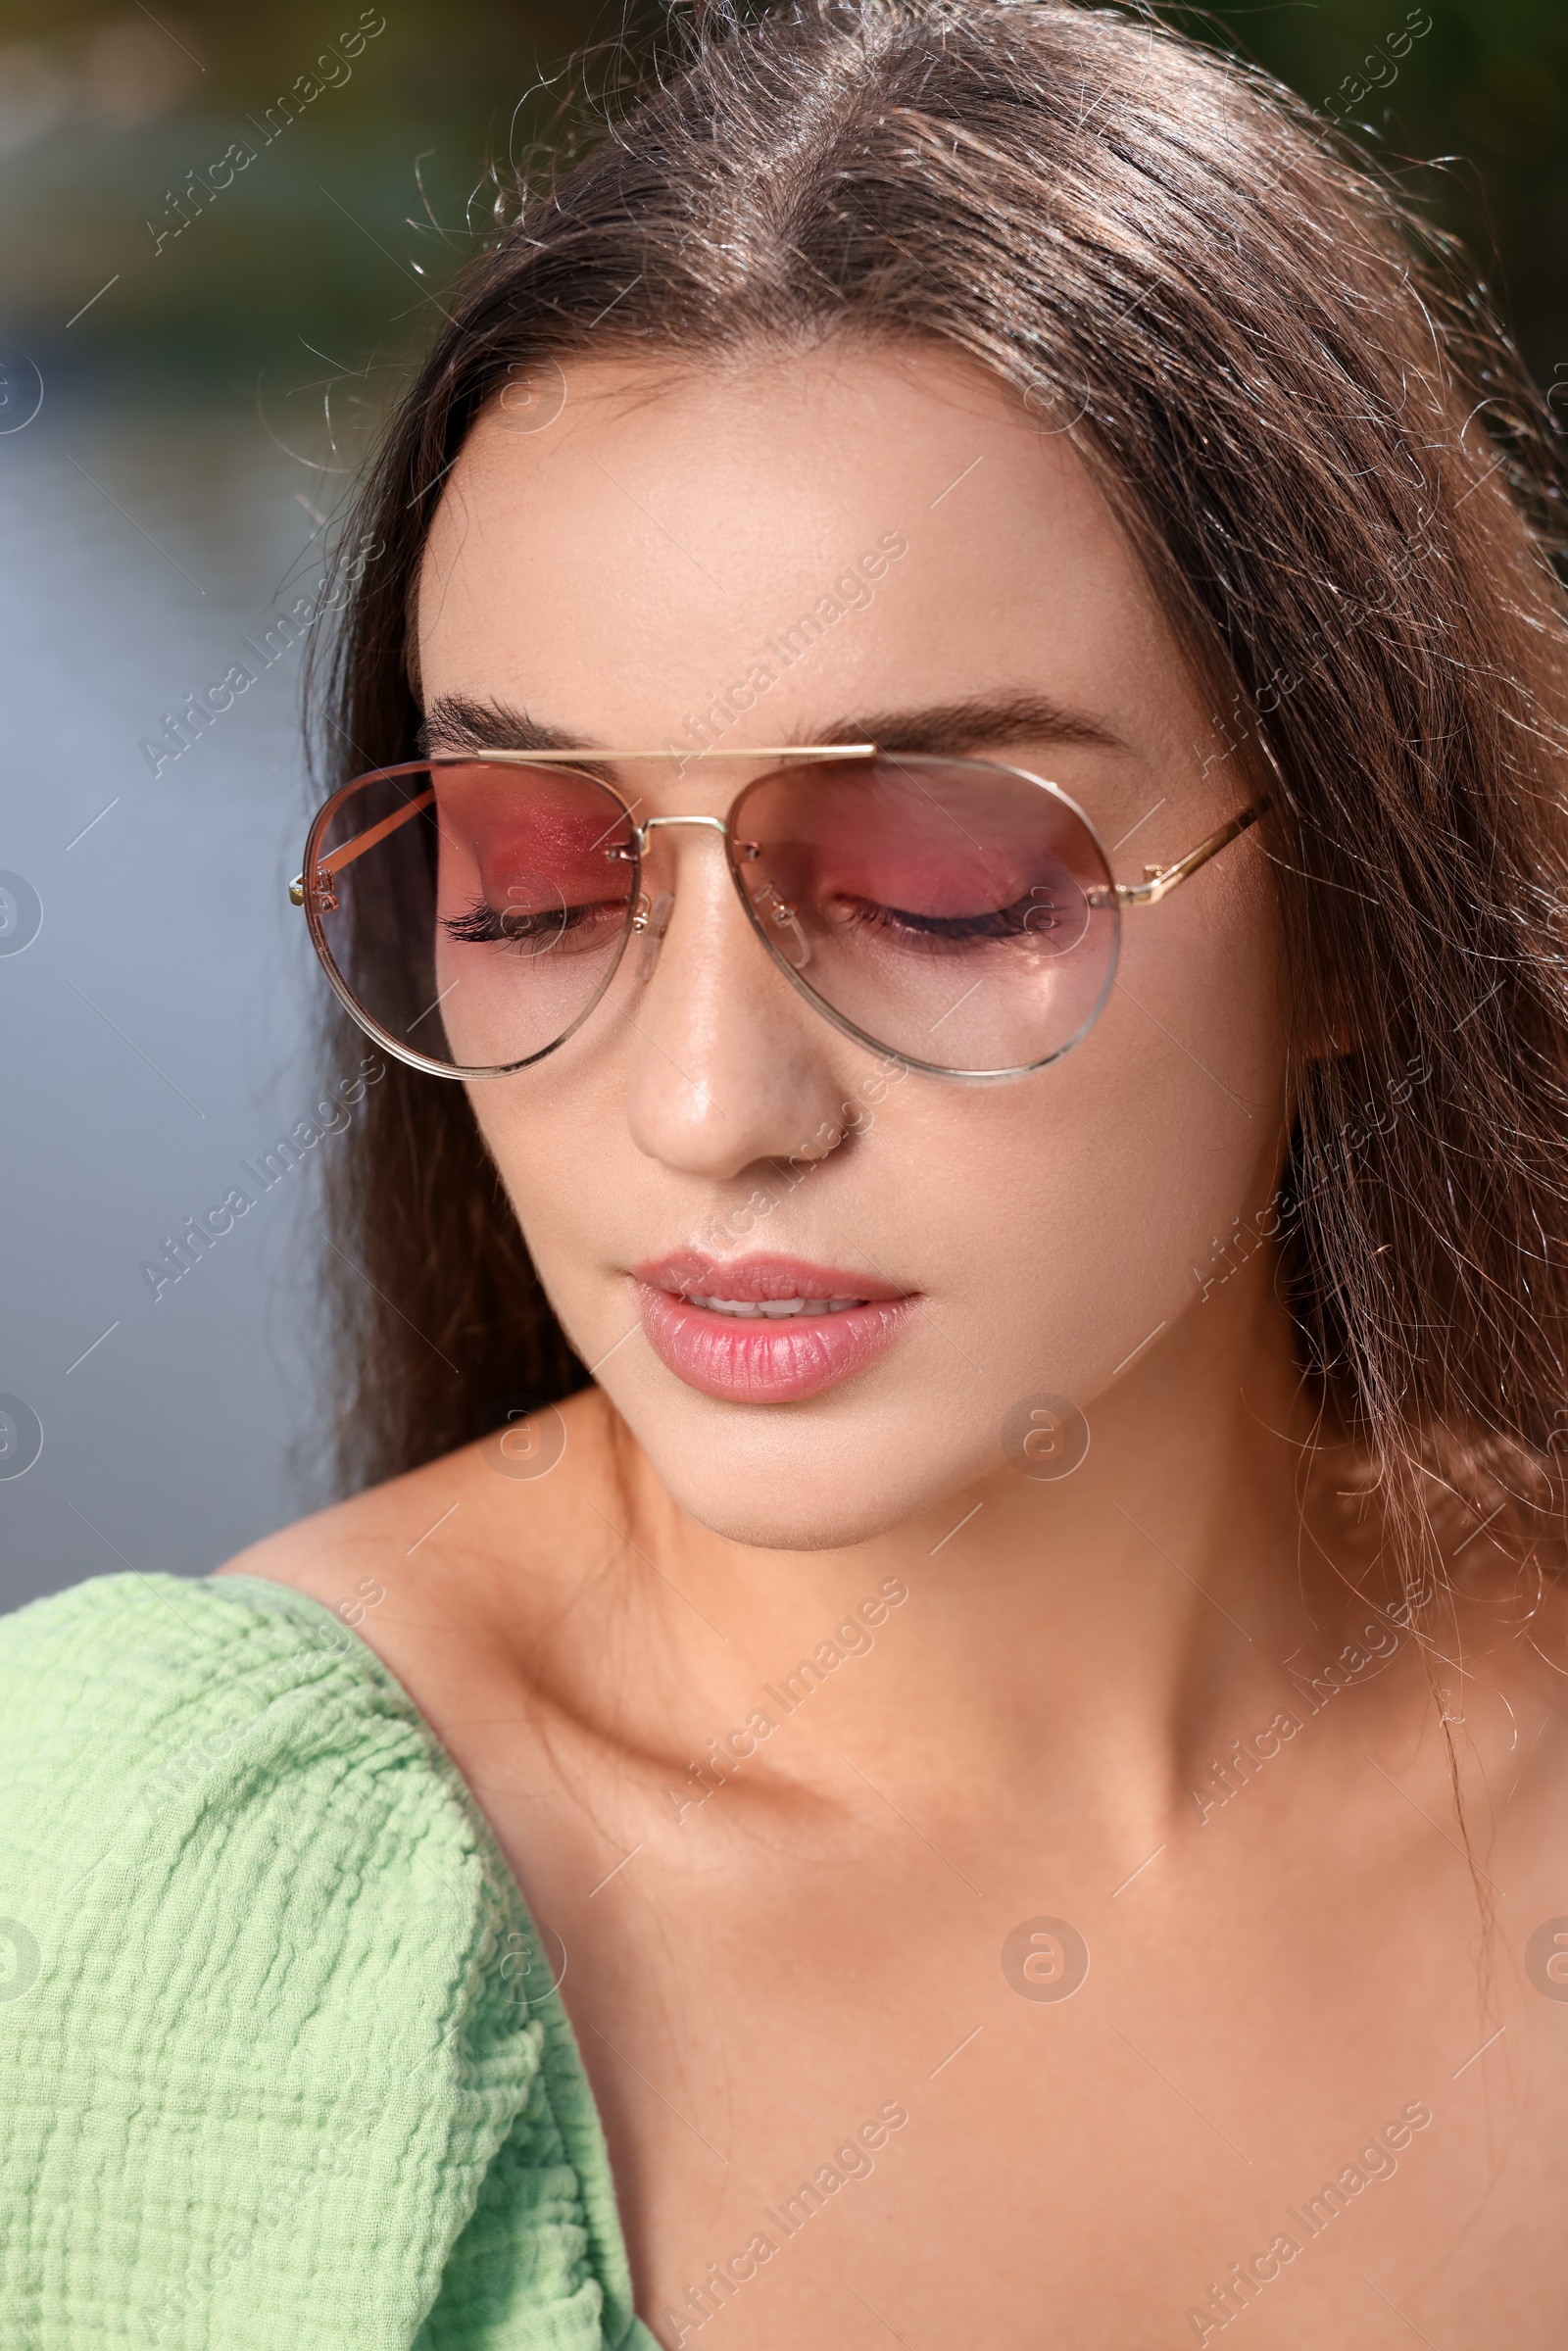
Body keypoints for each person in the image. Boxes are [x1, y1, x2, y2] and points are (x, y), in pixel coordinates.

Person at [4, 1, 1566, 2342]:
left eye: (942, 882)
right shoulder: (141, 1900)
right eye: (534, 871)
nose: (706, 1106)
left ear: (1352, 894)